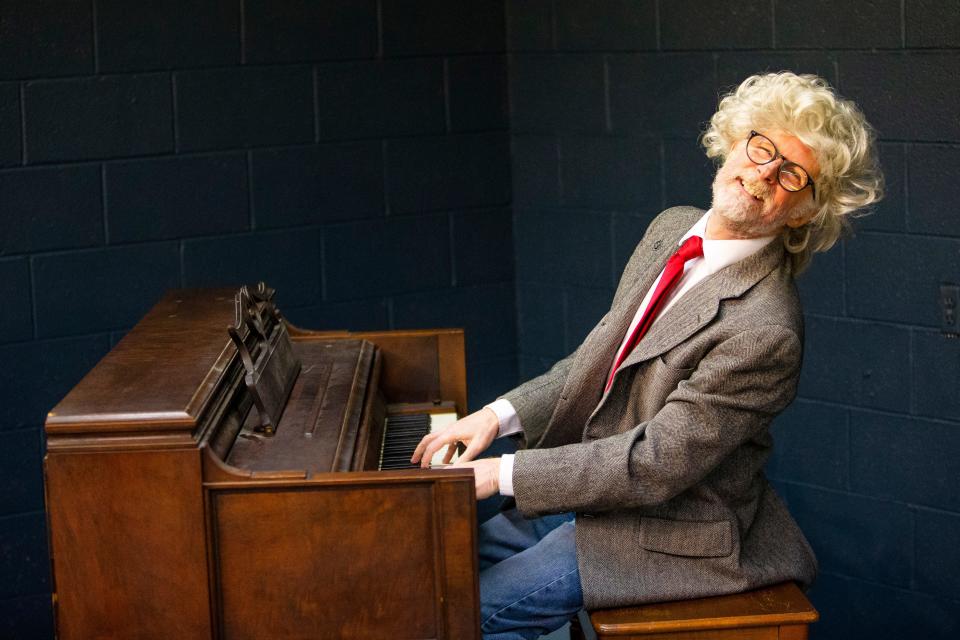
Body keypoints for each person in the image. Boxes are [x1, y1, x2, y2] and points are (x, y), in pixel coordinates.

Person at [412, 72, 884, 640]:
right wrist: (495, 417)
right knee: (433, 568)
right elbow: (590, 363)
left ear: (804, 211)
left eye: (791, 173)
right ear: (734, 140)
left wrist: (501, 474)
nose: (763, 173)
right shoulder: (670, 229)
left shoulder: (766, 328)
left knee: (460, 615)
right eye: (762, 147)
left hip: (672, 530)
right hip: (600, 493)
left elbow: (654, 463)